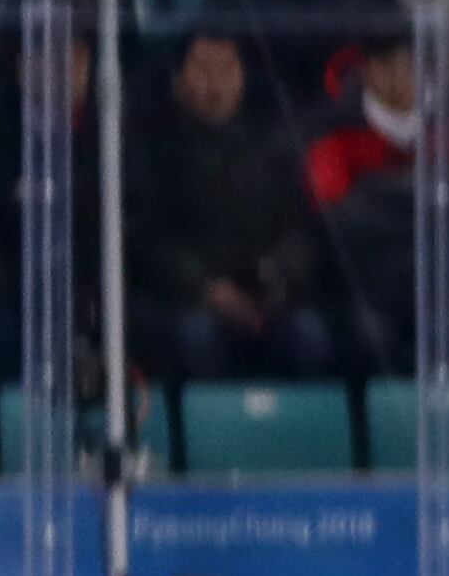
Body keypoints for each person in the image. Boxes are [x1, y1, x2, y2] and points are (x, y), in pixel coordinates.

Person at [131, 31, 335, 386]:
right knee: (195, 336)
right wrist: (207, 289)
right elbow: (150, 240)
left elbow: (300, 231)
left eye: (227, 69)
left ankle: (296, 436)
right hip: (194, 298)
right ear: (178, 81)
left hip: (268, 295)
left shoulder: (274, 147)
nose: (216, 83)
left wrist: (279, 280)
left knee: (309, 333)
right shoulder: (154, 149)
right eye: (203, 69)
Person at [306, 31, 449, 375]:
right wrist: (427, 192)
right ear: (368, 70)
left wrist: (370, 190)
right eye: (389, 65)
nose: (402, 75)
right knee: (368, 339)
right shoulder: (332, 127)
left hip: (443, 286)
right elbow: (337, 216)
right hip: (366, 288)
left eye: (411, 65)